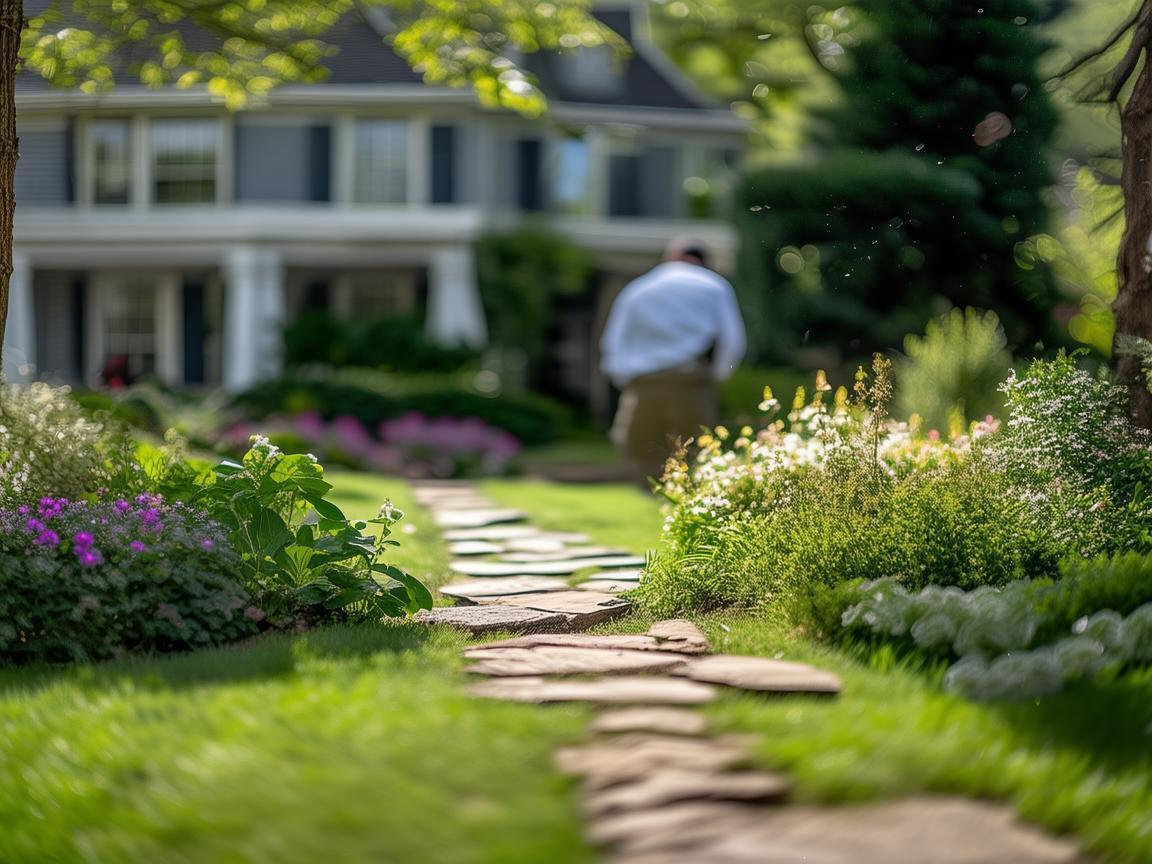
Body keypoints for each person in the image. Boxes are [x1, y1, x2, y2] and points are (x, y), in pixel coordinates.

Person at [599, 237, 747, 484]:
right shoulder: (714, 285)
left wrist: (623, 380)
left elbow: (614, 342)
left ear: (670, 257)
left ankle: (649, 506)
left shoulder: (638, 288)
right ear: (703, 261)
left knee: (644, 458)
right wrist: (717, 376)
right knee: (693, 458)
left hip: (643, 385)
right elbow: (732, 340)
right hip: (691, 383)